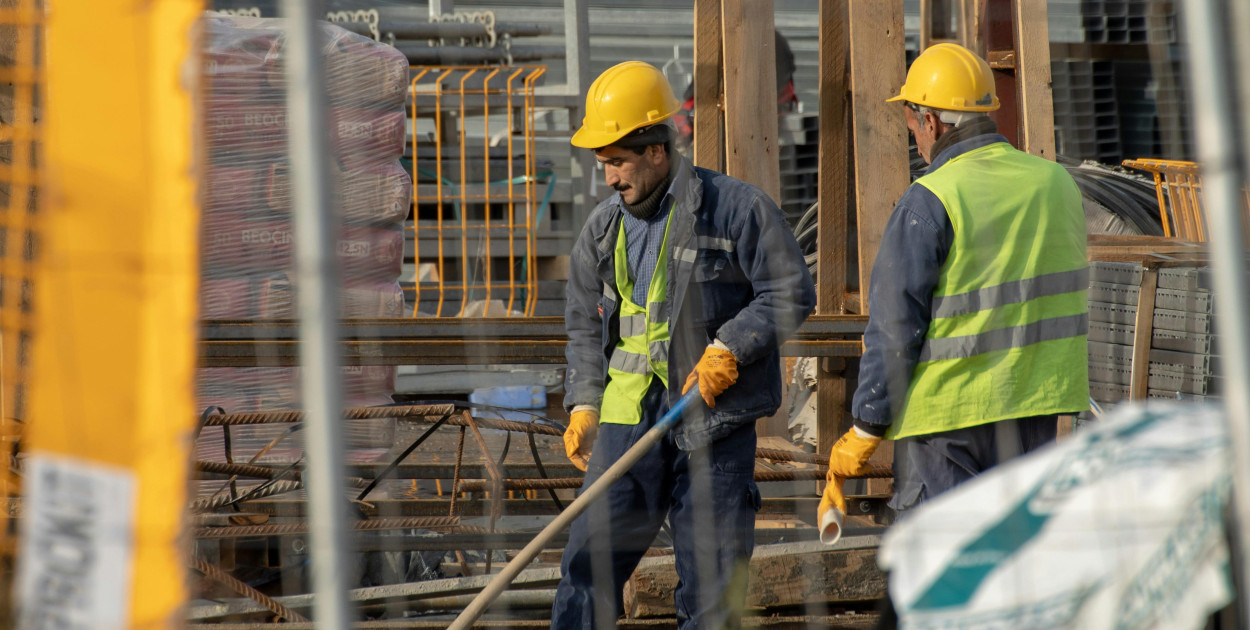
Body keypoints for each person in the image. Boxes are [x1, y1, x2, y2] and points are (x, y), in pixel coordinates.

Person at [554, 60, 816, 629]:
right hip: (627, 426)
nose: (610, 178)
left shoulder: (737, 209)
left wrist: (731, 346)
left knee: (713, 592)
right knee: (586, 574)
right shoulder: (602, 231)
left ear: (657, 149)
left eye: (617, 161)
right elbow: (581, 322)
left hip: (710, 423)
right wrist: (584, 402)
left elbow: (791, 290)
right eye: (603, 164)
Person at [817, 43, 1090, 540]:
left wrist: (866, 426)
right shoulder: (1057, 185)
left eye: (911, 124)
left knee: (945, 573)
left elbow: (896, 326)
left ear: (933, 122)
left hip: (948, 426)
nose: (916, 139)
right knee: (1016, 562)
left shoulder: (932, 199)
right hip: (1035, 411)